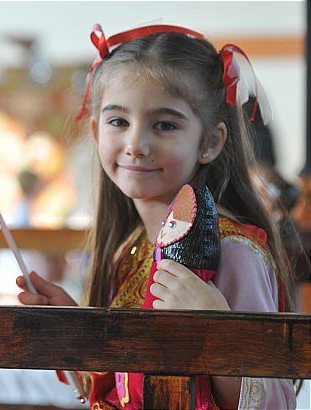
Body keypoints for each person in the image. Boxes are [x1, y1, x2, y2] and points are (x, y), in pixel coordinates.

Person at [16, 23, 297, 409]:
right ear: (96, 132)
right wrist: (75, 330)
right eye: (119, 122)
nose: (136, 144)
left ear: (210, 142)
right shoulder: (129, 248)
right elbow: (122, 389)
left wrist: (217, 328)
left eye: (164, 125)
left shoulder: (233, 251)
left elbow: (275, 403)